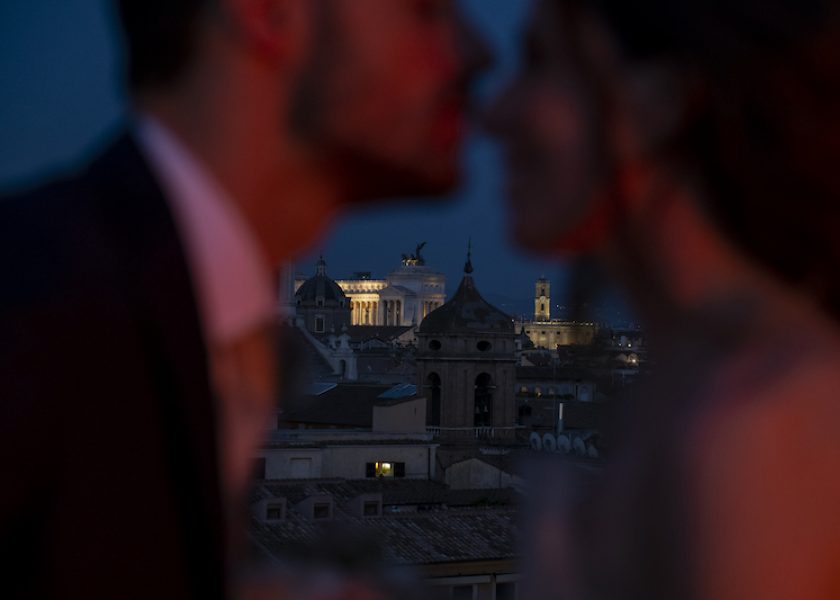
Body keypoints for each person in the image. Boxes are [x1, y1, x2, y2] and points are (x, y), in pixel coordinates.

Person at [0, 0, 488, 597]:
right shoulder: (33, 319)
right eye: (425, 9)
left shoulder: (144, 316)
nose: (476, 51)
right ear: (267, 14)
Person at [488, 0, 840, 597]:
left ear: (659, 102)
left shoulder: (755, 428)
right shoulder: (702, 395)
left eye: (542, 64)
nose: (495, 114)